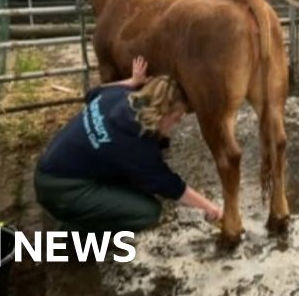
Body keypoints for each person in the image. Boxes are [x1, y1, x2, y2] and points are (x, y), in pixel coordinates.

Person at [34, 56, 221, 232]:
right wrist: (209, 207)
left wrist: (131, 82)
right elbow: (169, 185)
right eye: (176, 118)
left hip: (50, 166)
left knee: (132, 181)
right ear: (162, 113)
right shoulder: (136, 144)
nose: (177, 124)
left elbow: (92, 94)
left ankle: (81, 210)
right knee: (147, 212)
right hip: (60, 190)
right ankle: (75, 234)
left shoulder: (121, 95)